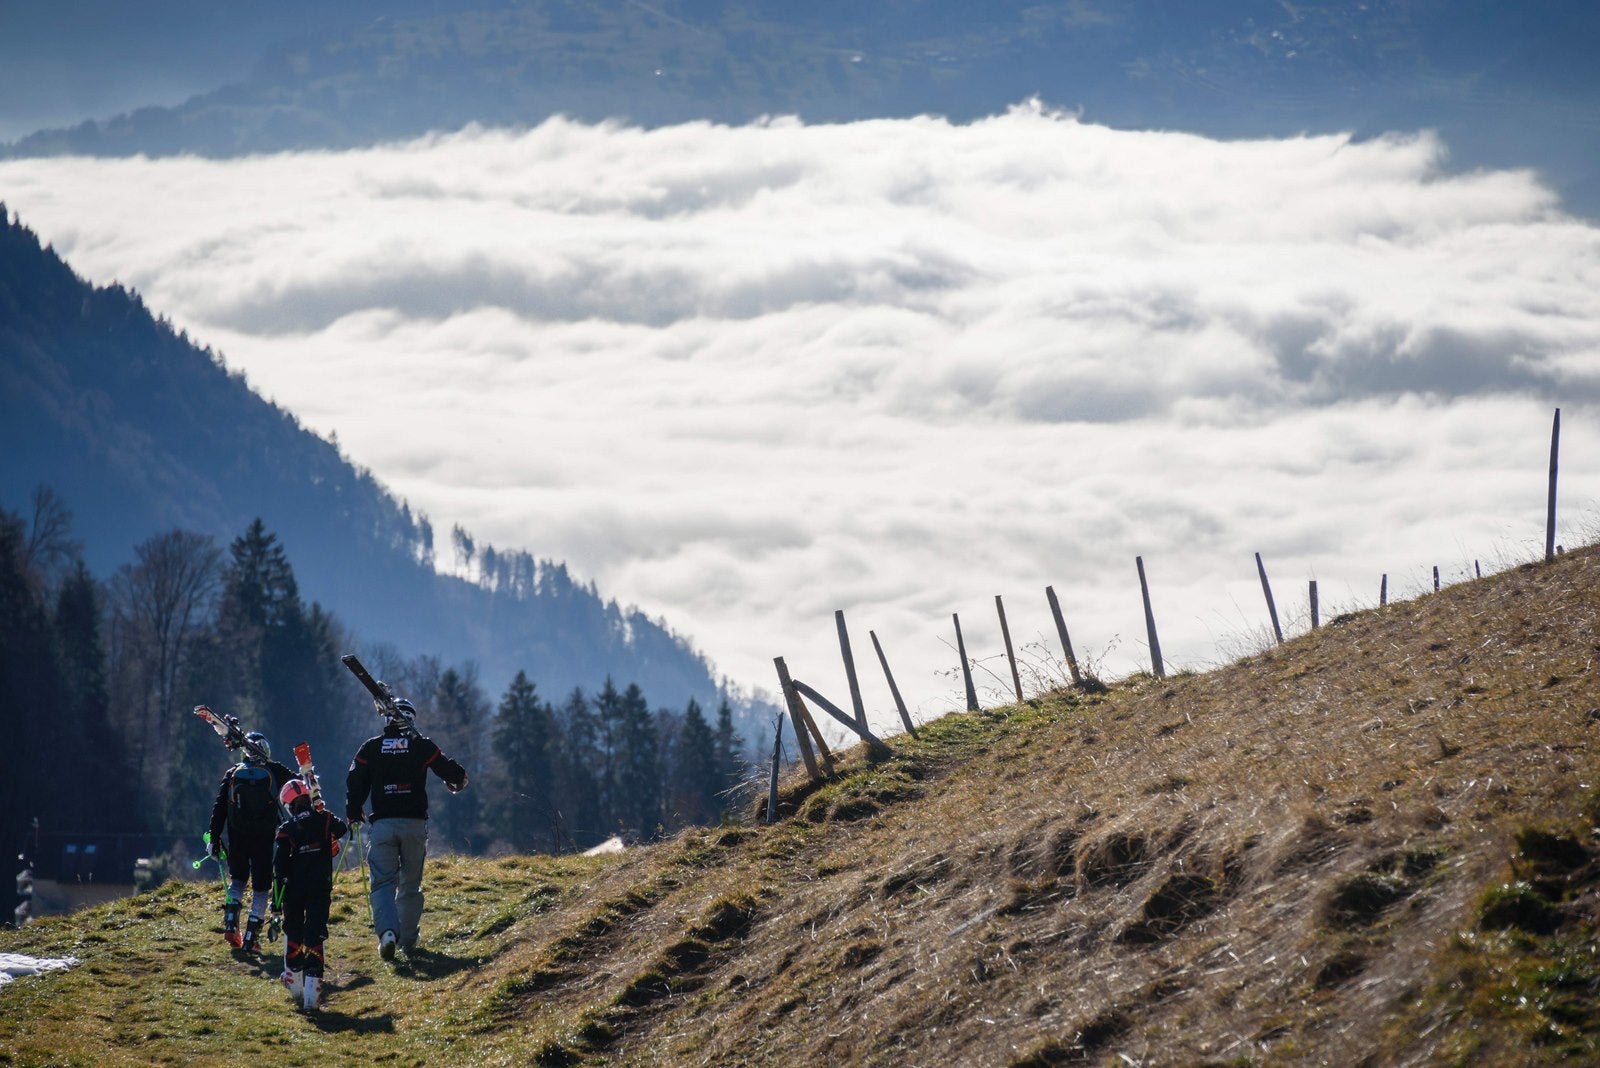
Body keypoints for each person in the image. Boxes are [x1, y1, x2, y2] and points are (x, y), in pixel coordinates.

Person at [345, 695, 468, 960]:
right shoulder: (421, 746)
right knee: (411, 885)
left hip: (383, 826)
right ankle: (409, 942)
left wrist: (354, 811)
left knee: (383, 884)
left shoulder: (371, 748)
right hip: (414, 825)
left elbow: (355, 780)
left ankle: (388, 934)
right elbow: (450, 772)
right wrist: (458, 777)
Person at [207, 732, 295, 952]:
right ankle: (251, 938)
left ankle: (230, 923)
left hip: (236, 835)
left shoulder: (233, 773)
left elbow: (219, 807)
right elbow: (299, 784)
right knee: (261, 887)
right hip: (264, 837)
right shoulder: (274, 771)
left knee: (237, 879)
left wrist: (214, 837)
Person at [273, 778, 348, 1011]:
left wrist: (275, 904)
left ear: (289, 805)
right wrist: (321, 808)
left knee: (294, 933)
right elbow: (342, 829)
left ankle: (295, 991)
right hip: (320, 888)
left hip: (293, 891)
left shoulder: (286, 830)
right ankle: (312, 1002)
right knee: (315, 936)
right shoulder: (324, 818)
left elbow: (279, 868)